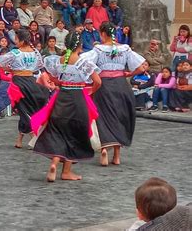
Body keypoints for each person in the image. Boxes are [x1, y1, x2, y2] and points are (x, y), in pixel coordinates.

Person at [31, 32, 101, 182]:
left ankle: (54, 164)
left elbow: (53, 77)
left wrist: (61, 83)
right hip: (77, 99)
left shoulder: (60, 60)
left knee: (58, 132)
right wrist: (90, 90)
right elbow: (98, 81)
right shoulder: (83, 63)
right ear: (80, 46)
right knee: (74, 134)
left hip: (61, 98)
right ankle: (66, 171)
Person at [82, 22, 145, 167]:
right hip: (121, 84)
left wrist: (92, 76)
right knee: (120, 116)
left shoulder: (98, 49)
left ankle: (104, 148)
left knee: (103, 116)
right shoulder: (125, 49)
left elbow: (84, 62)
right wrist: (129, 73)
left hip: (104, 86)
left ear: (103, 34)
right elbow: (141, 67)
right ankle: (117, 156)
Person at [0, 29, 49, 148]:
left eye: (16, 39)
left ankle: (33, 137)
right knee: (25, 109)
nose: (15, 41)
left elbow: (0, 62)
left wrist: (11, 69)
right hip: (31, 81)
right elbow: (39, 66)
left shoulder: (16, 53)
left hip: (19, 83)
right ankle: (20, 140)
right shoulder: (35, 52)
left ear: (21, 40)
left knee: (24, 110)